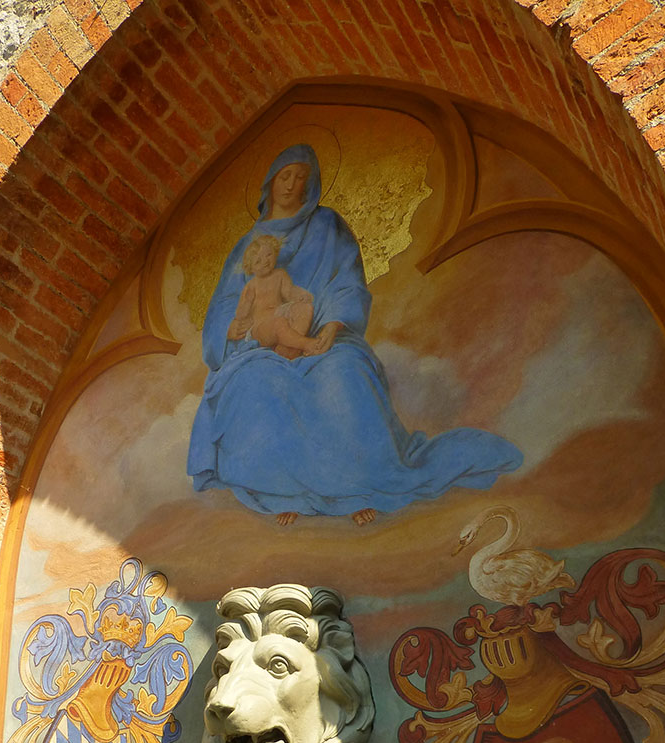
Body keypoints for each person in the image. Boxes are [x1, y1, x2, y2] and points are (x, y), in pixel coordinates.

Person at [187, 144, 523, 526]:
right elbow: (225, 302)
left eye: (301, 177)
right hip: (261, 346)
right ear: (270, 182)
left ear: (311, 185)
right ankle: (286, 491)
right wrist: (228, 329)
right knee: (252, 383)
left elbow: (345, 281)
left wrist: (332, 326)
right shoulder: (246, 245)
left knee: (346, 373)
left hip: (323, 335)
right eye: (285, 175)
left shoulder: (326, 226)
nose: (292, 184)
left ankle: (358, 490)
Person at [231, 234, 321, 358]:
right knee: (279, 323)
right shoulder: (251, 286)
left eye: (269, 254)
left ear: (275, 252)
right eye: (258, 261)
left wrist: (300, 295)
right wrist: (246, 303)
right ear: (250, 268)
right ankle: (305, 344)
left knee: (305, 308)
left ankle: (288, 350)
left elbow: (289, 293)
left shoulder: (280, 274)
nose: (265, 261)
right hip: (261, 327)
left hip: (281, 314)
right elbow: (241, 314)